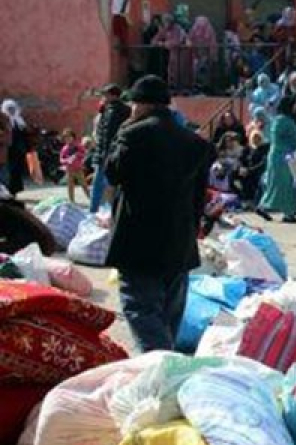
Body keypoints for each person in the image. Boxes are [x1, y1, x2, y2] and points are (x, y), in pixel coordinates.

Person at [105, 75, 212, 352]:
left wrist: (122, 131)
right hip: (179, 242)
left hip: (138, 242)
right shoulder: (194, 142)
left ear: (140, 105)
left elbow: (112, 173)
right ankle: (166, 364)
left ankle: (162, 369)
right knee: (168, 315)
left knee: (141, 310)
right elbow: (199, 198)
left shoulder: (132, 134)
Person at [257, 96, 296, 223]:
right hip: (284, 155)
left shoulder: (279, 119)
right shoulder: (284, 121)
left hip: (280, 154)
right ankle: (288, 213)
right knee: (287, 184)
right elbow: (285, 139)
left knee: (277, 183)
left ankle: (265, 206)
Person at [91, 84, 131, 212]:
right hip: (113, 152)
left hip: (106, 153)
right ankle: (109, 209)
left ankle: (96, 209)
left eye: (105, 94)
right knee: (109, 183)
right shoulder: (121, 110)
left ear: (113, 95)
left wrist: (104, 155)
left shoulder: (112, 111)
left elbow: (107, 135)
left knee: (101, 183)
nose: (103, 97)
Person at [0, 100, 28, 198]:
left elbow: (23, 134)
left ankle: (14, 192)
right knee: (7, 173)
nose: (11, 110)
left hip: (17, 151)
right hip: (6, 151)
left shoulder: (18, 120)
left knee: (16, 172)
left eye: (12, 108)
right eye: (9, 108)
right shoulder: (3, 120)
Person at [153, 14, 188, 89]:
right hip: (171, 54)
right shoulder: (164, 29)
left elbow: (178, 42)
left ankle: (181, 88)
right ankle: (171, 87)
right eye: (164, 22)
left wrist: (167, 44)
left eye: (166, 21)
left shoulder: (178, 29)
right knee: (171, 71)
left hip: (181, 53)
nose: (165, 23)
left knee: (180, 71)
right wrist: (160, 43)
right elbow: (154, 40)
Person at [234, 130, 268, 206]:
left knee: (252, 178)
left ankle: (253, 201)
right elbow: (240, 159)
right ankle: (244, 199)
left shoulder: (265, 148)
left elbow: (263, 163)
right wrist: (241, 168)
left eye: (258, 138)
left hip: (259, 170)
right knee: (234, 176)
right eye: (254, 138)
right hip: (247, 170)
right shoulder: (248, 148)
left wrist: (249, 170)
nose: (256, 140)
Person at [187, 16, 218, 92]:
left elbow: (212, 44)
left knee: (206, 71)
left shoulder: (210, 30)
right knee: (195, 70)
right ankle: (196, 87)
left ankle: (206, 87)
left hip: (206, 54)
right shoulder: (194, 28)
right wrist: (189, 44)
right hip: (196, 54)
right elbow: (189, 38)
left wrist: (212, 56)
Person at [59, 129, 90, 203]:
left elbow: (85, 154)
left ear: (73, 137)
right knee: (70, 186)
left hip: (78, 169)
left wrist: (78, 155)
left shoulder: (78, 146)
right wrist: (66, 161)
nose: (68, 139)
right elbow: (61, 159)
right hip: (69, 169)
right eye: (66, 138)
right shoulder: (64, 148)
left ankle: (90, 198)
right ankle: (71, 201)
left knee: (83, 184)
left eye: (69, 137)